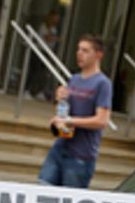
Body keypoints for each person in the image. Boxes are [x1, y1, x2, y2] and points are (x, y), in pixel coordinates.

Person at [38, 34, 112, 189]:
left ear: (98, 55)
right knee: (42, 191)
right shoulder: (74, 79)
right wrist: (60, 100)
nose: (79, 53)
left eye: (85, 50)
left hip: (80, 156)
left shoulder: (103, 83)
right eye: (78, 49)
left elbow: (102, 121)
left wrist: (69, 121)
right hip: (60, 147)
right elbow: (67, 113)